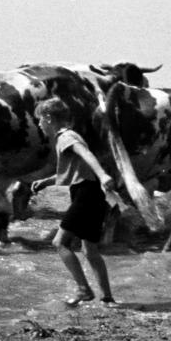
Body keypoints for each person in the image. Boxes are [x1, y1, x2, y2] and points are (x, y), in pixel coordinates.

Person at [35, 97, 118, 307]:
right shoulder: (71, 136)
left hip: (87, 193)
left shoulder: (65, 136)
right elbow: (74, 169)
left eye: (40, 121)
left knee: (59, 242)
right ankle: (107, 298)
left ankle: (83, 289)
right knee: (90, 249)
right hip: (92, 192)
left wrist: (103, 175)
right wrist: (46, 182)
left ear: (48, 118)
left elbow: (87, 154)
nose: (39, 125)